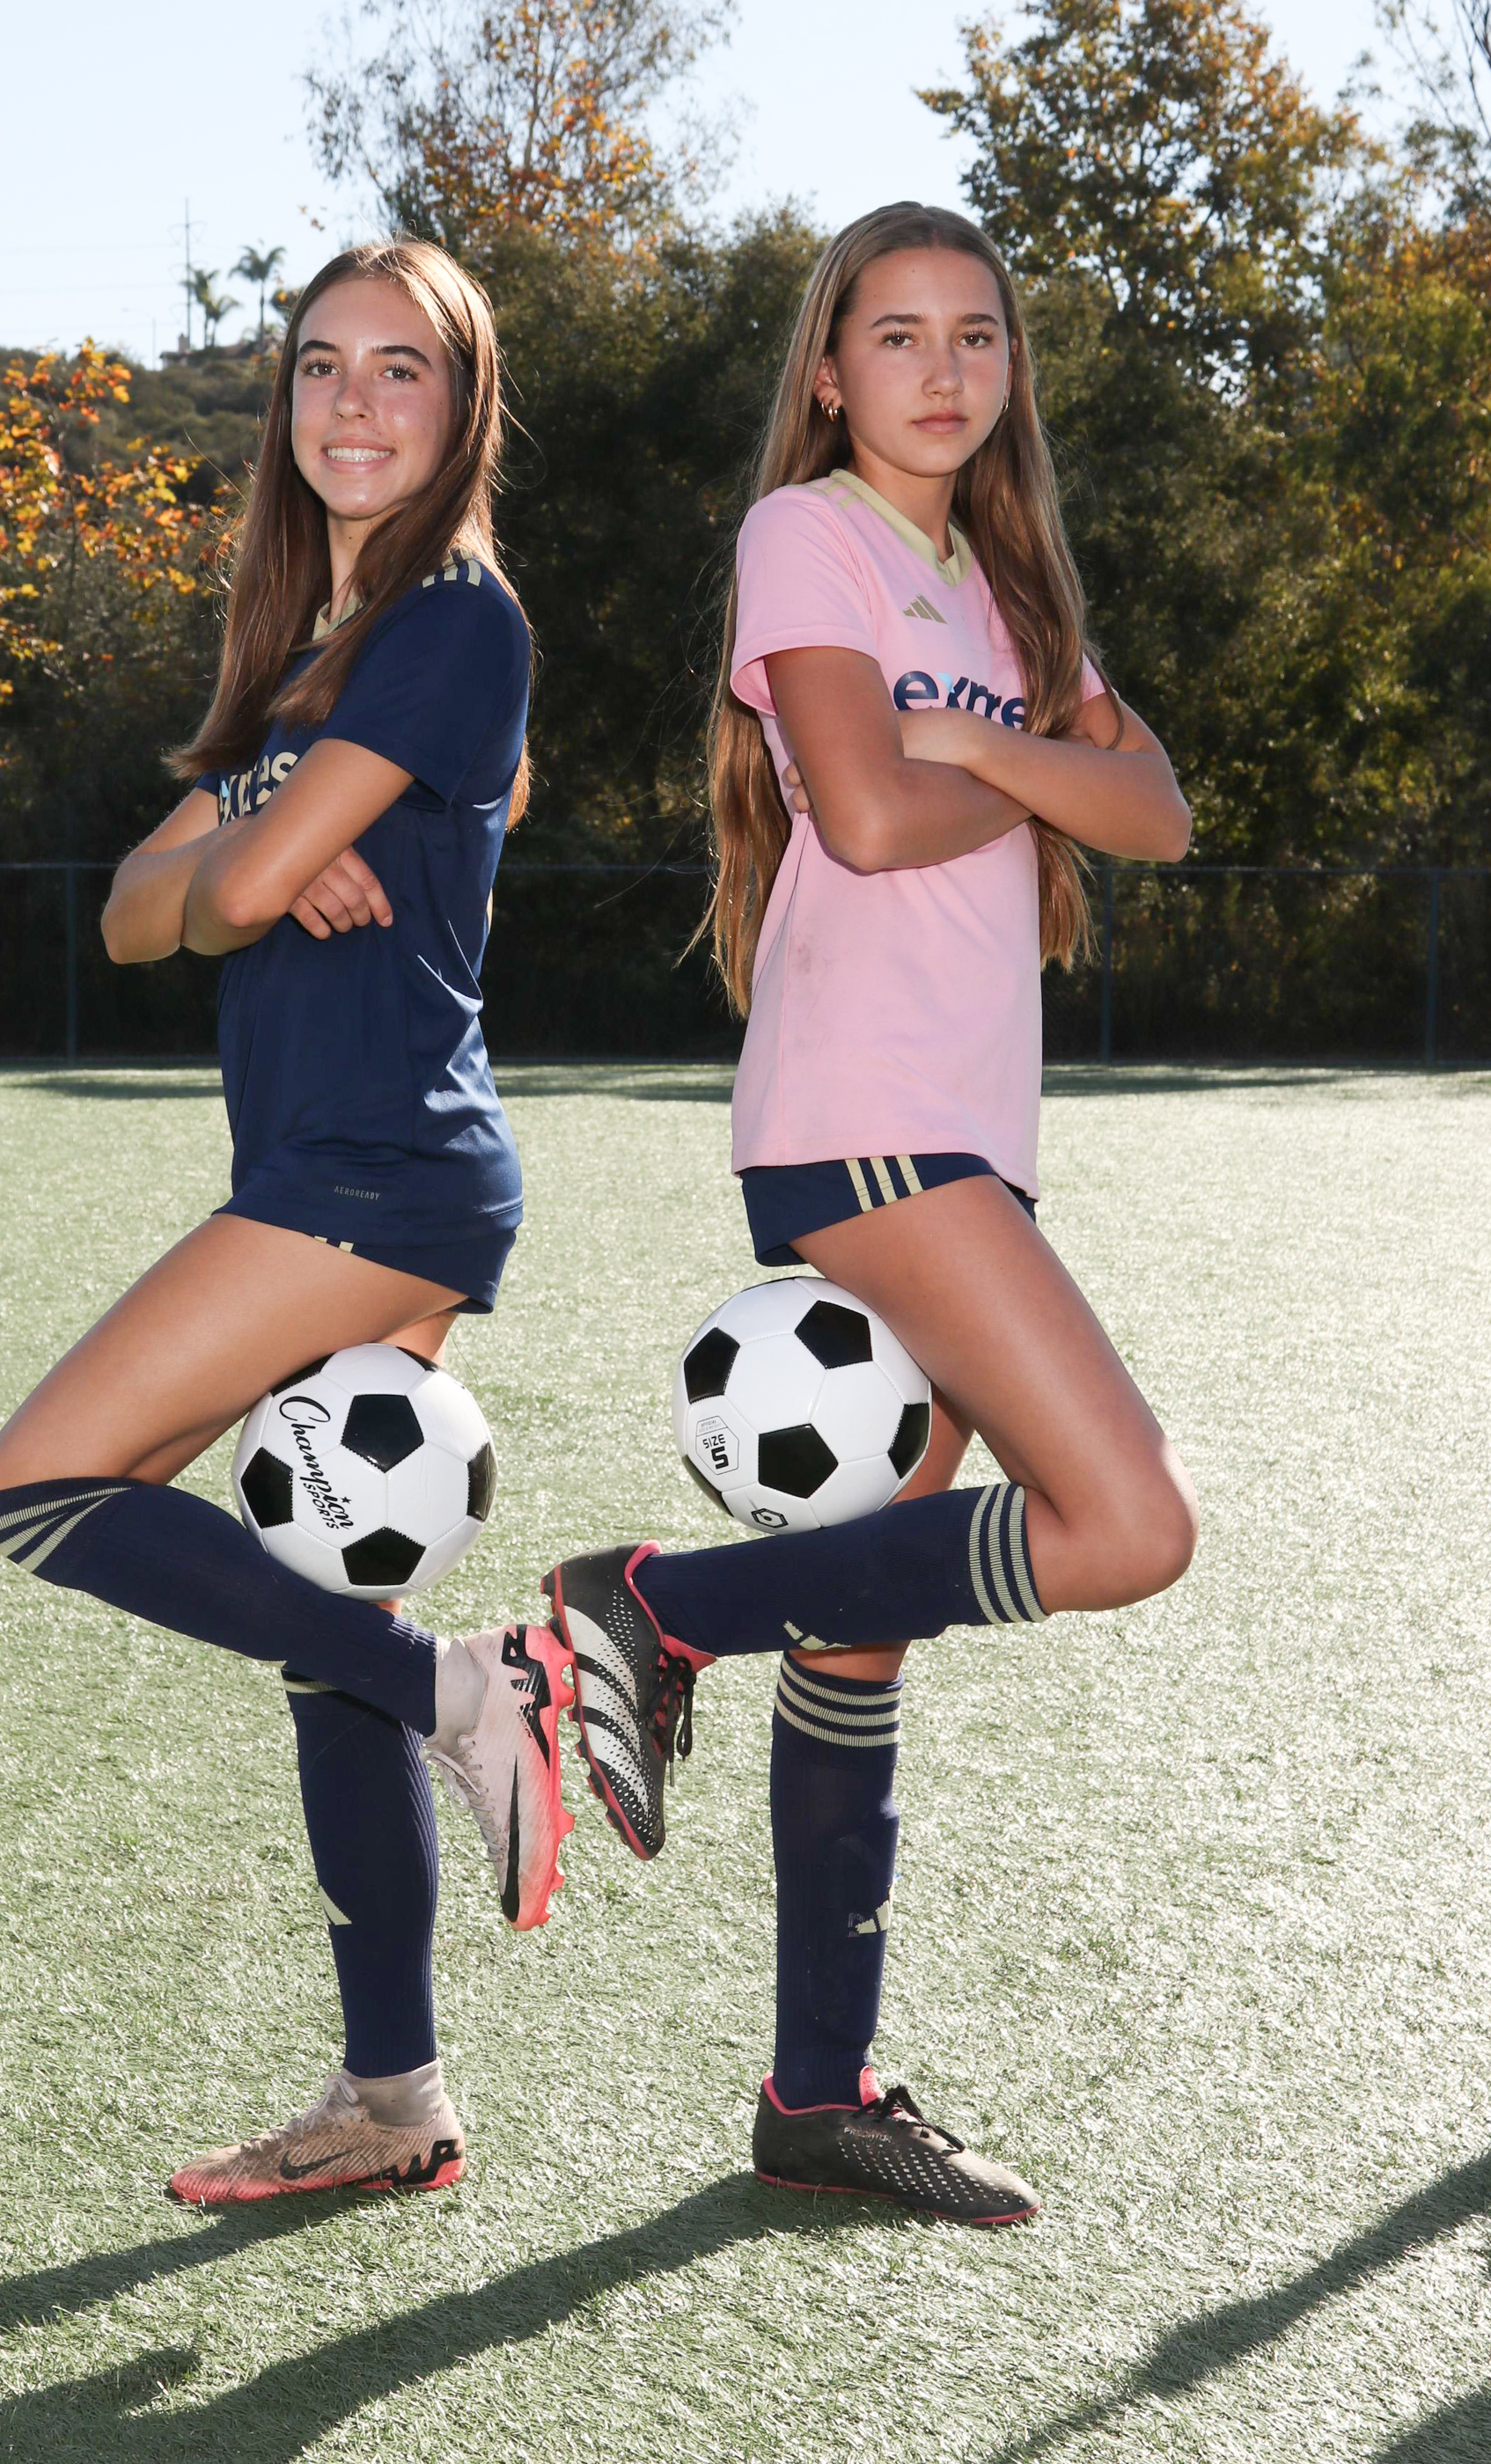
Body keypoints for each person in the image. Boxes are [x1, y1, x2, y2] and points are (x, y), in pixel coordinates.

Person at [541, 202, 1198, 2224]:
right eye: (896, 334)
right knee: (1127, 1524)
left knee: (864, 1622)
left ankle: (815, 2095)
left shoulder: (1006, 588)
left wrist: (984, 732)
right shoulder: (803, 535)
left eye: (975, 334)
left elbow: (1160, 812)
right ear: (828, 371)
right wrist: (1026, 762)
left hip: (967, 1135)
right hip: (865, 1118)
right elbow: (871, 810)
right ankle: (649, 1603)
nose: (940, 368)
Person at [0, 240, 573, 2207]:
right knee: (331, 1622)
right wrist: (252, 841)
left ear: (463, 406)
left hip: (376, 1173)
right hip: (331, 1164)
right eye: (322, 366)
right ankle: (394, 2098)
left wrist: (242, 860)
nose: (353, 404)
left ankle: (478, 1694)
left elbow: (220, 897)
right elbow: (134, 914)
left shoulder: (454, 625)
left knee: (40, 1485)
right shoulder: (310, 645)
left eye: (401, 370)